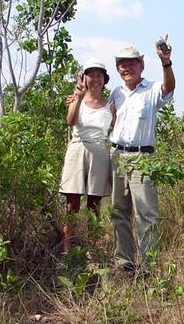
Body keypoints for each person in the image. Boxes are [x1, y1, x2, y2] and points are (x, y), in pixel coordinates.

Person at [109, 38, 175, 273]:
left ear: (141, 66)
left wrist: (166, 62)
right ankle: (124, 262)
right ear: (118, 69)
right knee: (119, 212)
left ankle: (148, 268)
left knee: (147, 215)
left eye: (131, 64)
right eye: (122, 64)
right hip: (117, 156)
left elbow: (169, 88)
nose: (126, 68)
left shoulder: (151, 89)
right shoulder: (115, 93)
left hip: (142, 158)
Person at [59, 59, 115, 253]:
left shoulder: (110, 104)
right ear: (84, 78)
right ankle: (68, 249)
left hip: (99, 151)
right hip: (77, 148)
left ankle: (92, 251)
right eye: (91, 75)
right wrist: (78, 98)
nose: (95, 79)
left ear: (105, 79)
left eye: (99, 75)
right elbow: (70, 121)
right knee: (72, 203)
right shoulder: (76, 99)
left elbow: (117, 127)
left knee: (94, 204)